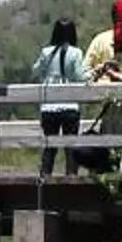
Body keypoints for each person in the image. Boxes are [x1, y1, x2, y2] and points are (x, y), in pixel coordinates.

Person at [32, 16, 89, 177]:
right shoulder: (76, 53)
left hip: (49, 106)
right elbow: (80, 76)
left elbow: (35, 71)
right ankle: (71, 178)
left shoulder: (46, 52)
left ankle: (45, 177)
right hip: (70, 105)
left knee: (49, 145)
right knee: (70, 146)